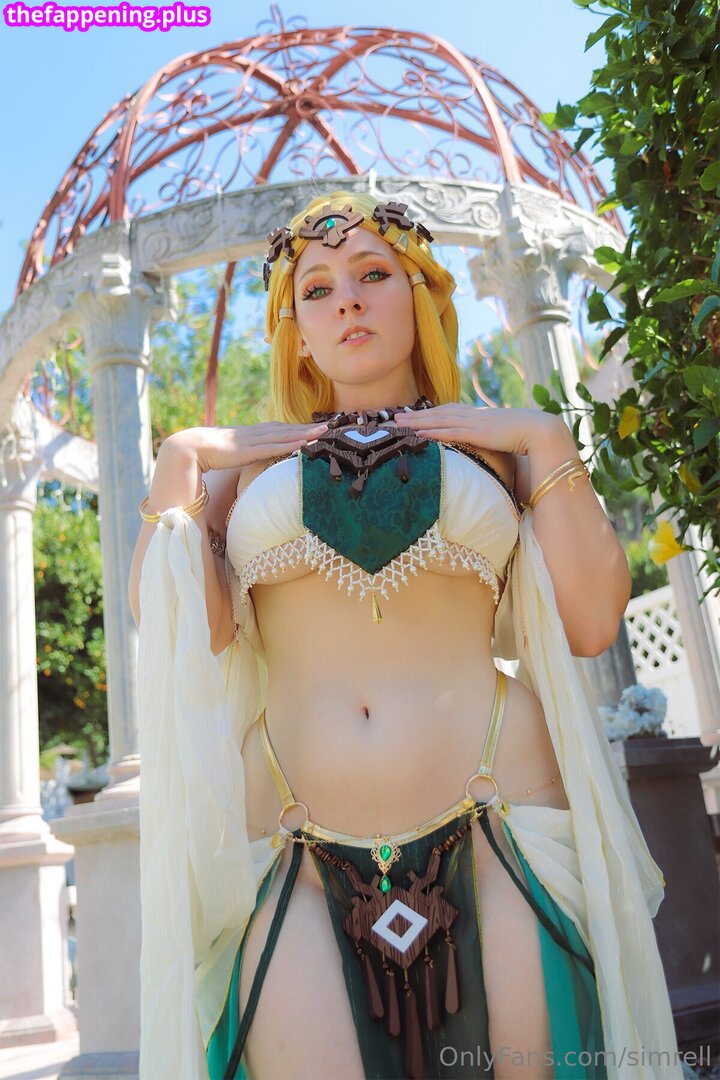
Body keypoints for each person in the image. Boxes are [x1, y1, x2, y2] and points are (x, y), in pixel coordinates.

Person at [129, 192, 681, 1080]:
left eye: (373, 274)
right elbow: (184, 635)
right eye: (317, 289)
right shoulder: (241, 468)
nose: (346, 299)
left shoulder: (503, 446)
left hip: (501, 816)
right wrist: (178, 463)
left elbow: (589, 624)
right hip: (295, 846)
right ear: (295, 332)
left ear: (418, 296)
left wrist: (546, 441)